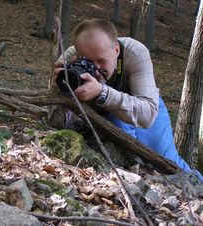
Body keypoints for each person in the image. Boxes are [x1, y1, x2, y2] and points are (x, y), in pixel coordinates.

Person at [51, 18, 202, 182]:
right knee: (134, 157)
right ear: (78, 55)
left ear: (116, 49)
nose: (95, 69)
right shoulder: (69, 60)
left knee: (169, 163)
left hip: (143, 106)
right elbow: (54, 121)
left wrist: (102, 92)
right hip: (108, 115)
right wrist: (62, 89)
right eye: (88, 61)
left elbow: (148, 114)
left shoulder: (134, 52)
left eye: (101, 60)